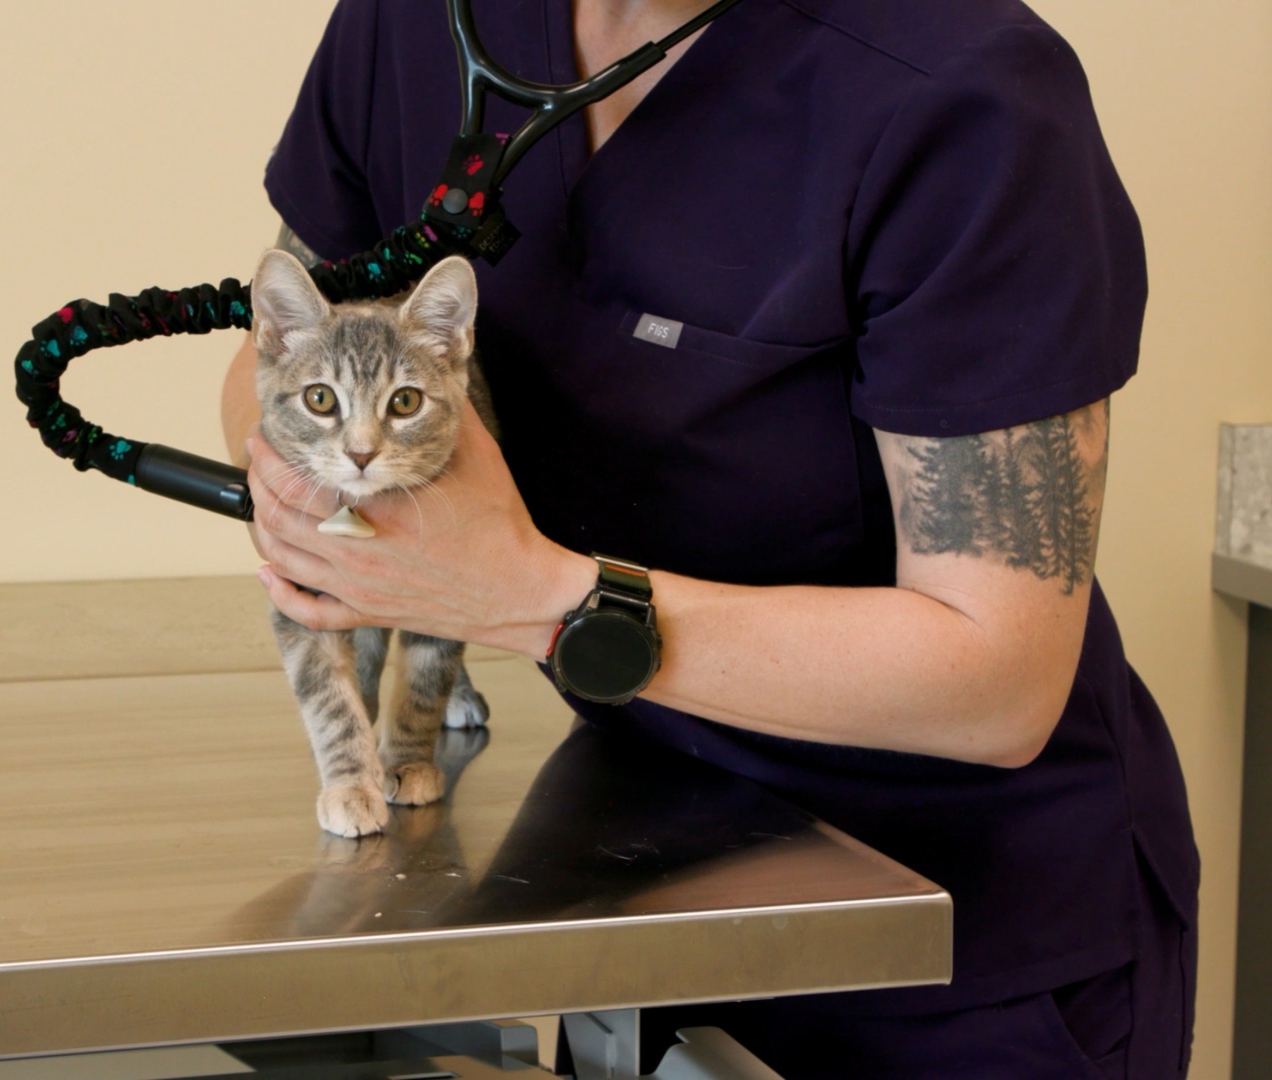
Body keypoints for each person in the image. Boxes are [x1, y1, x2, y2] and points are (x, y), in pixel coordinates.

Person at [220, 1, 1199, 1076]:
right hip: (641, 870)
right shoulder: (414, 25)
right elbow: (278, 362)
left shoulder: (967, 95)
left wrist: (534, 598)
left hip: (957, 936)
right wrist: (340, 506)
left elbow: (1001, 681)